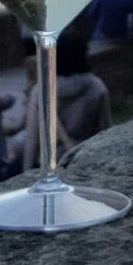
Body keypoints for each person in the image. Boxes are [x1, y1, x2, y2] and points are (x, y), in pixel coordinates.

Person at [23, 31, 112, 170]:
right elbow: (105, 131)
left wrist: (27, 172)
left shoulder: (41, 90)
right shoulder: (96, 86)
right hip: (86, 159)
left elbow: (33, 138)